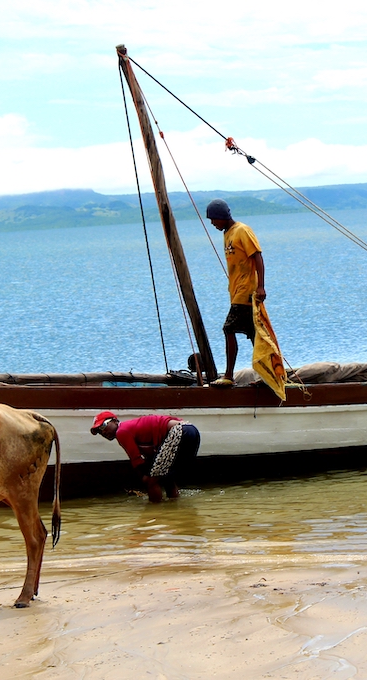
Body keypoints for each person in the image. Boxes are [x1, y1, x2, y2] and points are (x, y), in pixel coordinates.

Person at [205, 198, 266, 387]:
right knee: (256, 335)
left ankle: (229, 376)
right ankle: (267, 378)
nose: (212, 223)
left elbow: (257, 257)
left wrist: (261, 286)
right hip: (237, 292)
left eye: (214, 219)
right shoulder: (228, 233)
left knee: (229, 328)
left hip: (246, 291)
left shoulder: (242, 230)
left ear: (222, 216)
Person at [90, 411, 200, 502]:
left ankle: (155, 512)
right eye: (99, 431)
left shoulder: (121, 431)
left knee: (150, 480)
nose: (103, 432)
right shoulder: (132, 428)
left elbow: (137, 460)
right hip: (191, 430)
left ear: (115, 420)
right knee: (167, 476)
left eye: (103, 426)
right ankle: (174, 506)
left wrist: (145, 478)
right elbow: (153, 458)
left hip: (180, 431)